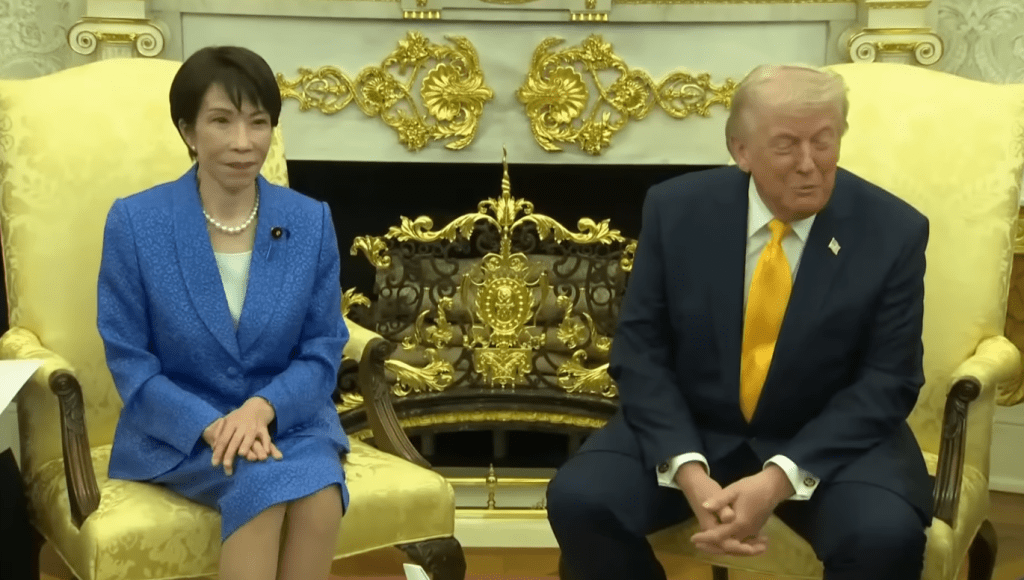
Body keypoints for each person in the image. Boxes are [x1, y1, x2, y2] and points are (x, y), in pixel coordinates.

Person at [546, 64, 933, 580]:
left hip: (829, 437)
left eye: (823, 141)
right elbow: (640, 351)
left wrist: (779, 478)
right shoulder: (676, 210)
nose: (809, 164)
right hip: (697, 424)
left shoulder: (893, 231)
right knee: (579, 499)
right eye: (786, 145)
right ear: (740, 150)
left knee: (883, 536)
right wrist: (687, 469)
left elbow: (889, 380)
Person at [97, 46, 348, 580]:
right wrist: (212, 425)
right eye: (221, 121)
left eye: (258, 122)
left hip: (288, 422)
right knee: (264, 489)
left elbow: (323, 347)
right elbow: (129, 361)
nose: (243, 142)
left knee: (322, 498)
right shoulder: (136, 223)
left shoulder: (310, 221)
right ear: (187, 130)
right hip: (181, 431)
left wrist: (262, 408)